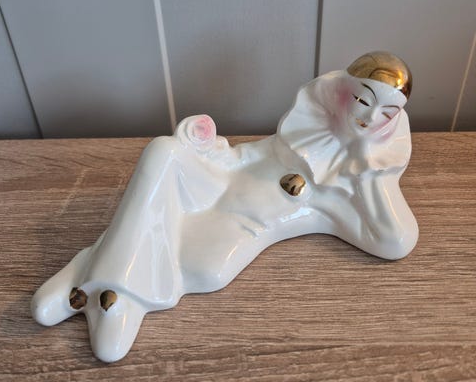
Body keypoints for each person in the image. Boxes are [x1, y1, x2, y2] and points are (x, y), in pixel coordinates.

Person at [31, 51, 418, 362]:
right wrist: (208, 149)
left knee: (208, 269)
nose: (370, 118)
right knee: (164, 150)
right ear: (341, 93)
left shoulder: (352, 190)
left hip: (237, 224)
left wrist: (369, 166)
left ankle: (89, 275)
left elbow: (396, 240)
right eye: (363, 100)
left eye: (387, 114)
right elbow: (249, 156)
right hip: (221, 183)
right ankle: (114, 297)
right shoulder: (305, 129)